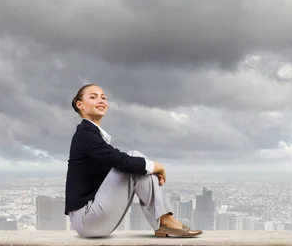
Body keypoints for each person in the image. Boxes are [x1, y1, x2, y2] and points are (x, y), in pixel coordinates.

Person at [64, 83, 203, 238]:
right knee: (134, 159)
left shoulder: (92, 134)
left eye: (103, 97)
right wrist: (157, 166)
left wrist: (150, 169)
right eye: (93, 97)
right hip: (87, 218)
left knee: (139, 165)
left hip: (92, 220)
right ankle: (165, 221)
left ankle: (164, 221)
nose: (101, 100)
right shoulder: (85, 134)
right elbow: (120, 160)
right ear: (80, 104)